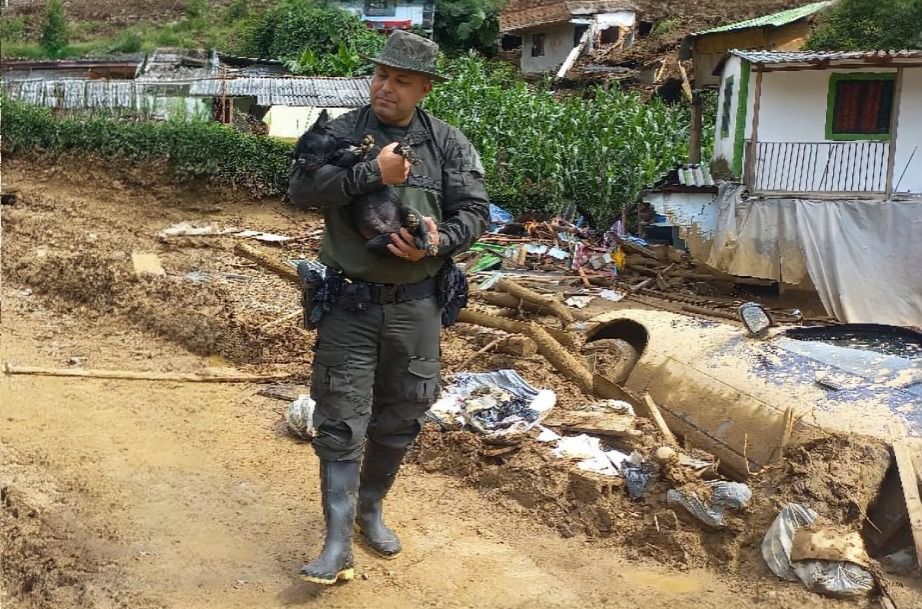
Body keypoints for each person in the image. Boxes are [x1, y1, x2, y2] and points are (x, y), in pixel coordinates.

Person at [287, 30, 490, 585]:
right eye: (381, 75)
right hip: (348, 304)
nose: (386, 87)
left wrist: (439, 239)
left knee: (403, 413)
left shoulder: (448, 144)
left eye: (401, 80)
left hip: (417, 307)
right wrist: (373, 173)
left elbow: (475, 211)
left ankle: (371, 509)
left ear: (424, 88)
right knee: (339, 418)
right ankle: (335, 541)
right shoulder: (341, 132)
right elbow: (302, 191)